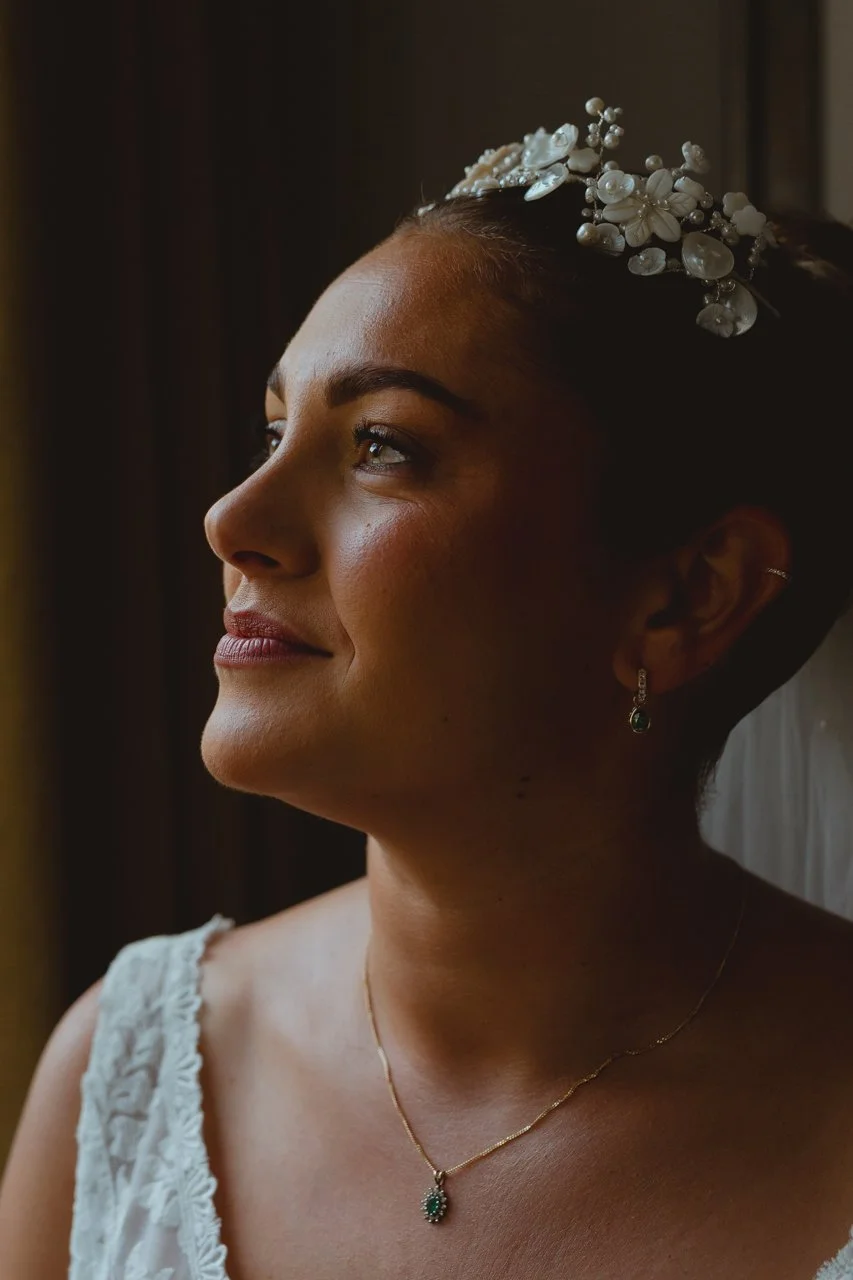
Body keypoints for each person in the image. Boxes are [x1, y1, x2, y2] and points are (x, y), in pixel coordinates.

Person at [2, 96, 853, 1280]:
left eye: (380, 446)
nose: (230, 520)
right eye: (272, 431)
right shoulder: (129, 1070)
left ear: (686, 596)